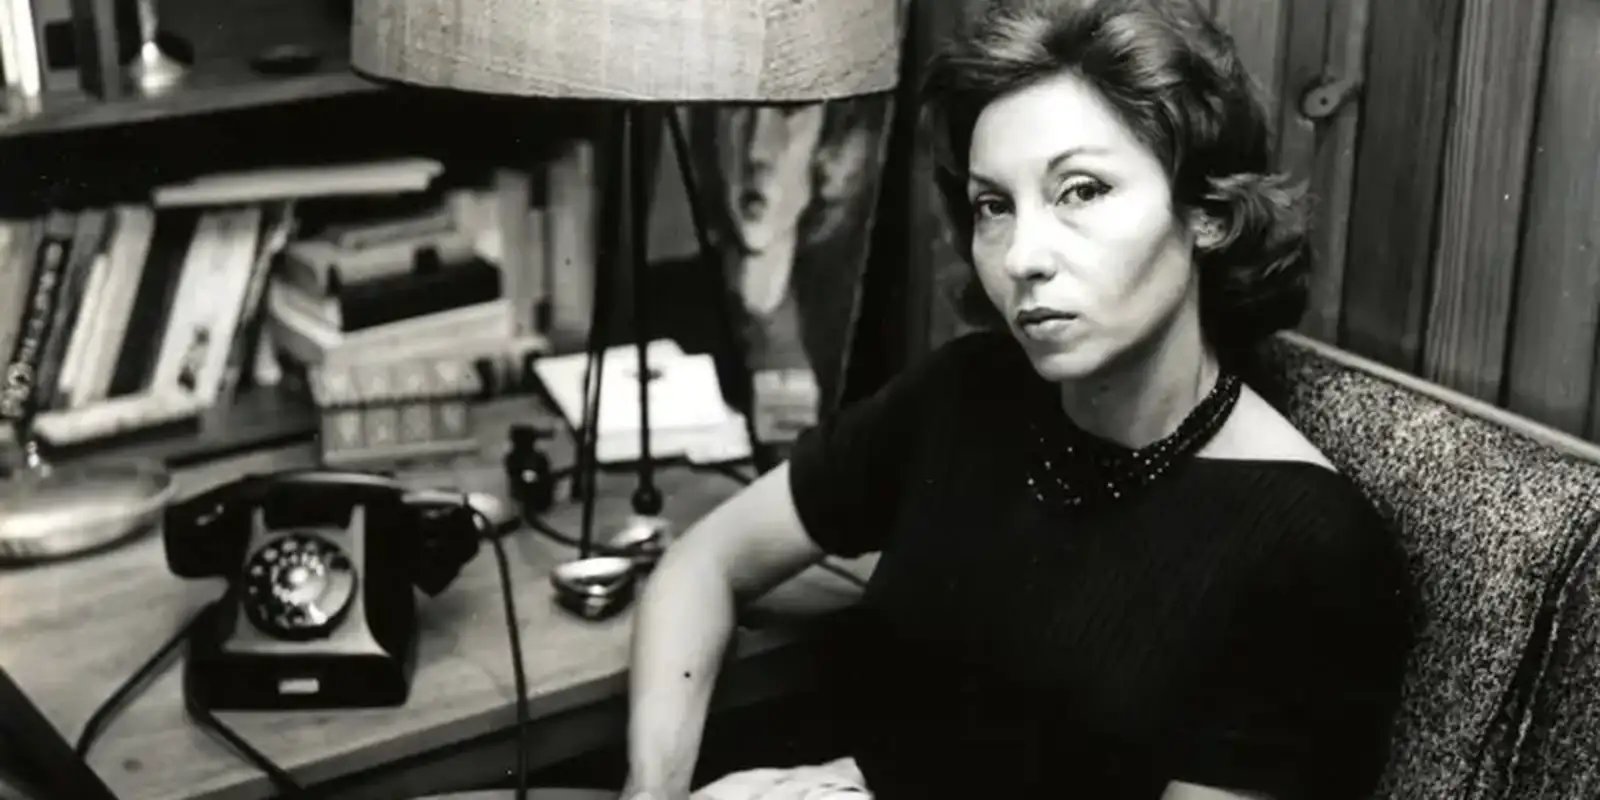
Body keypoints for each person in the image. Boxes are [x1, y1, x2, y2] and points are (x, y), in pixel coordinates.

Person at [621, 0, 1413, 798]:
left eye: (1081, 190)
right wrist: (655, 790)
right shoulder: (967, 391)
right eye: (993, 206)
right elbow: (702, 561)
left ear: (1206, 214)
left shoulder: (1308, 549)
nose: (1023, 256)